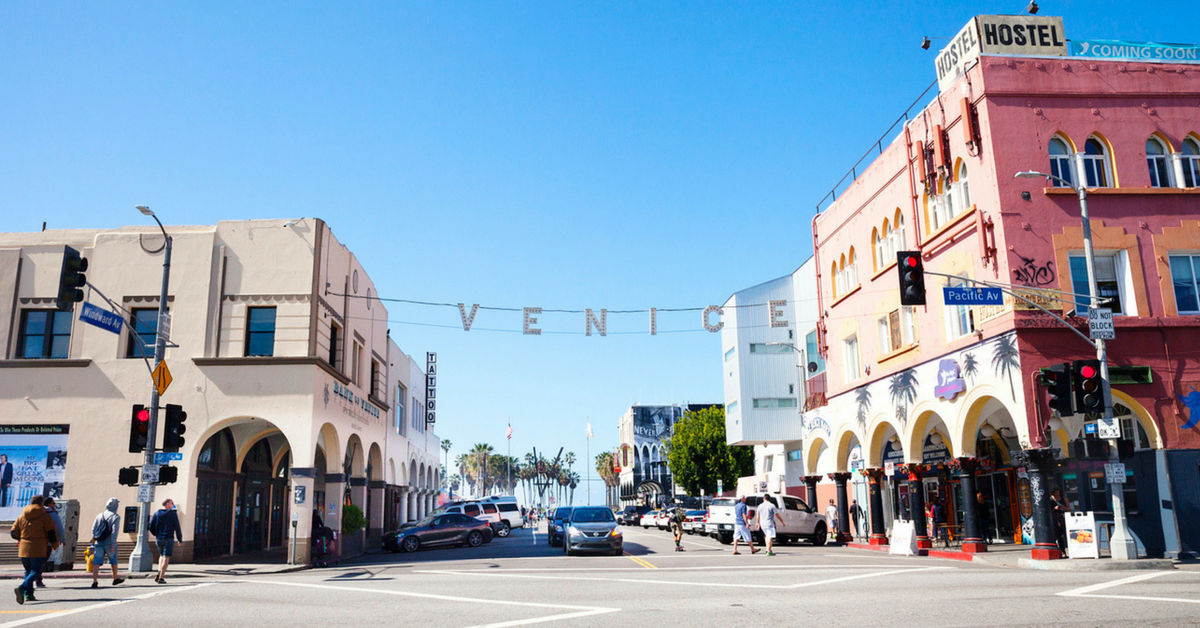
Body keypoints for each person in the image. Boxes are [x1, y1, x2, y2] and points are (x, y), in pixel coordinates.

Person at [11, 495, 59, 604]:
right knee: (36, 571)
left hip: (23, 548)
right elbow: (51, 532)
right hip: (38, 547)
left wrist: (22, 538)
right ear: (41, 503)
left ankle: (29, 595)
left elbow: (13, 532)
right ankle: (22, 588)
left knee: (28, 571)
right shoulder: (45, 517)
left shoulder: (21, 516)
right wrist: (55, 544)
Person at [90, 498, 125, 589]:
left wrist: (95, 538)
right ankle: (115, 578)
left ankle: (94, 581)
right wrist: (113, 544)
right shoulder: (115, 517)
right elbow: (114, 532)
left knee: (96, 562)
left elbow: (93, 529)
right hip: (109, 543)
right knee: (113, 561)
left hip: (98, 541)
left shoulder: (99, 515)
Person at [149, 498, 184, 584]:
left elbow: (150, 526)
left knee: (161, 556)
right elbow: (177, 527)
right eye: (172, 503)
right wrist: (179, 539)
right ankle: (161, 577)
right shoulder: (172, 514)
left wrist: (156, 534)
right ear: (168, 504)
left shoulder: (156, 514)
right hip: (168, 538)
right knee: (166, 557)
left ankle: (159, 572)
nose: (173, 505)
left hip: (159, 538)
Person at [35, 497, 66, 588]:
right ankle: (35, 581)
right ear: (49, 504)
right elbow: (59, 528)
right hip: (46, 542)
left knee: (34, 562)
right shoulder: (52, 514)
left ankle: (32, 580)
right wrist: (62, 539)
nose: (54, 505)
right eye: (53, 503)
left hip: (33, 542)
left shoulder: (36, 514)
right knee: (42, 562)